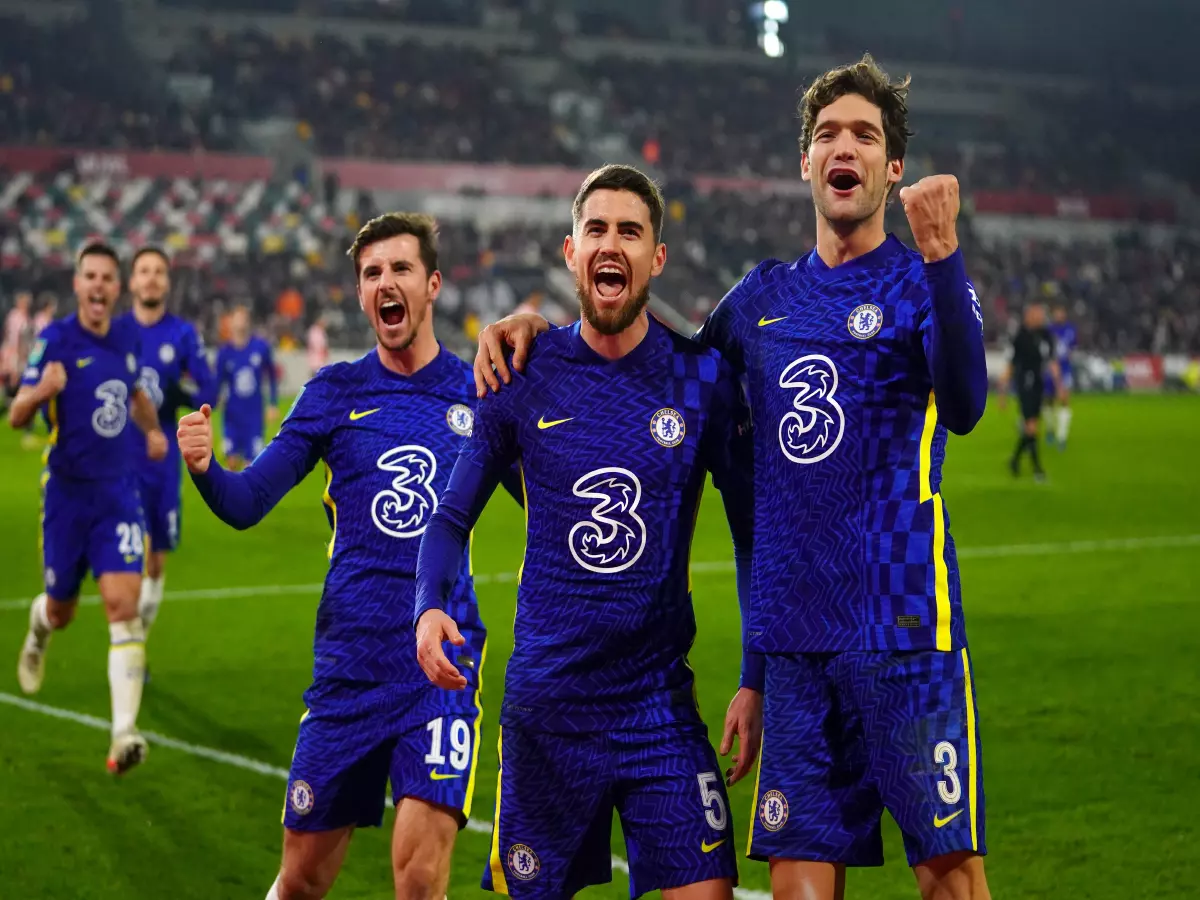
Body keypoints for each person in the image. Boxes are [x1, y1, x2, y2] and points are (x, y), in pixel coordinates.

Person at [472, 56, 992, 900]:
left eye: (865, 134)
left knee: (948, 877)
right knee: (794, 889)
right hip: (793, 649)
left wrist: (942, 255)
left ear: (893, 167)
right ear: (805, 163)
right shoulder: (759, 302)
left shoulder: (920, 281)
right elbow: (648, 364)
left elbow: (965, 405)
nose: (843, 147)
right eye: (827, 135)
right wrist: (549, 330)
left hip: (903, 629)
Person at [415, 164, 762, 900]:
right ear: (570, 252)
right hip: (548, 711)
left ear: (656, 259)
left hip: (659, 709)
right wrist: (429, 606)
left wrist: (755, 676)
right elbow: (450, 517)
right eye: (596, 229)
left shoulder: (702, 380)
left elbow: (752, 536)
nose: (612, 243)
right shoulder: (521, 371)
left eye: (630, 231)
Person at [178, 213, 522, 900]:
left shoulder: (479, 394)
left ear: (432, 286)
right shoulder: (334, 394)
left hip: (442, 666)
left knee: (419, 879)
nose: (384, 284)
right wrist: (207, 468)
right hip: (348, 668)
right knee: (302, 880)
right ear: (360, 292)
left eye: (399, 270)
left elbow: (547, 502)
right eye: (371, 274)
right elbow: (247, 503)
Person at [9, 242, 168, 774]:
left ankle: (123, 734)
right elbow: (15, 417)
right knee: (63, 609)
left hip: (117, 492)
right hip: (68, 496)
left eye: (107, 278)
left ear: (115, 289)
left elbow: (135, 395)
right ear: (77, 285)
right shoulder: (54, 340)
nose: (98, 286)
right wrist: (40, 392)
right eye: (90, 277)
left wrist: (151, 433)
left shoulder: (126, 337)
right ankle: (38, 631)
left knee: (124, 609)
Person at [119, 247, 216, 646]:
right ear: (132, 281)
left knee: (157, 562)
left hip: (163, 464)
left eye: (159, 271)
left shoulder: (182, 334)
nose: (152, 278)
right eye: (144, 271)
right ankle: (125, 647)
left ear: (167, 282)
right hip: (120, 461)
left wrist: (182, 392)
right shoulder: (115, 332)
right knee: (128, 560)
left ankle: (137, 638)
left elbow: (209, 389)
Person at [999, 303, 1062, 482]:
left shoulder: (1046, 335)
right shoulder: (1020, 336)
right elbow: (1011, 364)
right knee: (1031, 426)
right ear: (1029, 316)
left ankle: (1015, 461)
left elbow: (1052, 361)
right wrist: (1003, 391)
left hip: (1038, 382)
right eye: (1036, 314)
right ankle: (1037, 468)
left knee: (1032, 427)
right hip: (1025, 382)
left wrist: (1059, 386)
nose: (1039, 318)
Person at [216, 304, 278, 470]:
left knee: (251, 465)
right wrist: (213, 401)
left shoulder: (260, 347)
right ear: (231, 323)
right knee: (231, 462)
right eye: (237, 319)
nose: (241, 323)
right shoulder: (224, 352)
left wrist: (272, 403)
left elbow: (272, 376)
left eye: (244, 318)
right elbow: (218, 382)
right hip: (232, 416)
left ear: (248, 322)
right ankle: (230, 496)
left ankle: (247, 495)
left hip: (254, 415)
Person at [1045, 304, 1076, 449]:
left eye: (1061, 311)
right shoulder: (1049, 330)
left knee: (1064, 400)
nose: (1059, 314)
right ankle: (1050, 430)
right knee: (1048, 400)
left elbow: (1072, 349)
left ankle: (1062, 437)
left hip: (1065, 369)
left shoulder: (1071, 329)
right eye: (1057, 311)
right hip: (1050, 369)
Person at [2, 289, 33, 402]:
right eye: (25, 301)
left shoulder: (25, 317)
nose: (28, 304)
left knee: (20, 379)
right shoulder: (15, 317)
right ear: (20, 302)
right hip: (15, 352)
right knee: (13, 378)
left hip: (23, 353)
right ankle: (10, 401)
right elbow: (14, 338)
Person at [306, 313, 330, 377]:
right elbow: (318, 346)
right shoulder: (315, 331)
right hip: (316, 358)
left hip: (320, 359)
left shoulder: (321, 331)